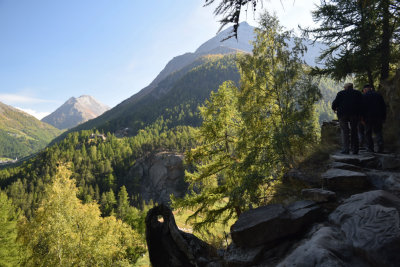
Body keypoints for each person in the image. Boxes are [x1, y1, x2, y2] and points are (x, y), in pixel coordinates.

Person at [332, 83, 363, 154]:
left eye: (344, 87)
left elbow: (335, 103)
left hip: (342, 114)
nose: (343, 88)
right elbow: (362, 104)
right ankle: (355, 149)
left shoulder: (341, 93)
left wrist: (334, 108)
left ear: (346, 87)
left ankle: (346, 149)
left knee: (344, 131)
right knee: (354, 131)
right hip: (354, 114)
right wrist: (361, 114)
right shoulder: (358, 93)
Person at [362, 84, 386, 153]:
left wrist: (362, 118)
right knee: (378, 132)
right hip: (378, 117)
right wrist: (383, 117)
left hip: (368, 118)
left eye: (364, 90)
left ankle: (370, 148)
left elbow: (362, 108)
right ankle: (380, 147)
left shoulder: (364, 96)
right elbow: (383, 107)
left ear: (365, 89)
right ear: (371, 88)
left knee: (368, 133)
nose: (363, 91)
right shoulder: (378, 95)